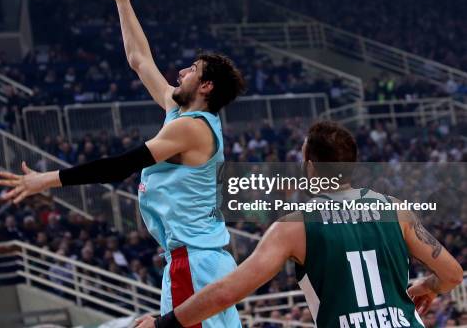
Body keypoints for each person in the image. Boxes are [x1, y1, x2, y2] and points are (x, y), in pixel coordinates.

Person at [0, 0, 246, 327]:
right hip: (202, 260)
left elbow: (119, 166)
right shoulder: (178, 112)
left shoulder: (191, 129)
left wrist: (45, 180)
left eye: (192, 70)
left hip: (192, 263)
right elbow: (138, 59)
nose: (180, 72)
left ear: (206, 87)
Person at [135, 121, 463, 328]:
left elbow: (226, 292)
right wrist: (429, 287)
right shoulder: (397, 210)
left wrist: (164, 324)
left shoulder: (294, 227)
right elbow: (452, 274)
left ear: (309, 166)